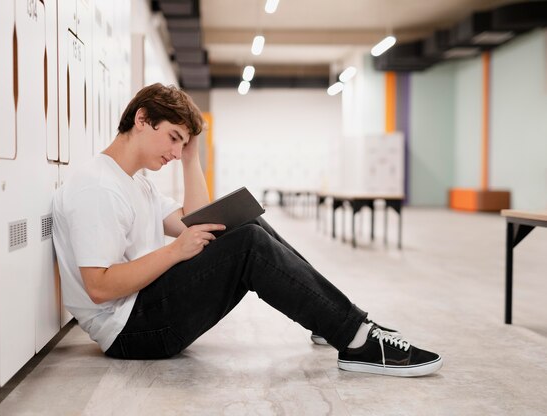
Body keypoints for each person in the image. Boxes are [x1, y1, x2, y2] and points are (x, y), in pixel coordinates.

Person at [51, 83, 443, 377]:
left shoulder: (136, 182)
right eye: (173, 138)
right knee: (249, 244)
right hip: (131, 331)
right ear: (141, 119)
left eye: (180, 144)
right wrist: (174, 251)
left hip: (146, 307)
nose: (173, 151)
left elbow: (197, 218)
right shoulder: (97, 187)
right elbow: (99, 286)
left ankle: (336, 323)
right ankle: (356, 339)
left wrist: (191, 158)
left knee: (244, 223)